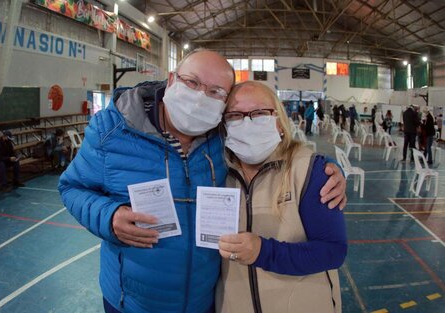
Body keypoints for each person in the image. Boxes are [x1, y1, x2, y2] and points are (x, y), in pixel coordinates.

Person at [58, 49, 347, 313]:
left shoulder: (224, 139)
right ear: (171, 80)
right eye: (192, 82)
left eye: (215, 91)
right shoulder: (112, 130)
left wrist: (328, 168)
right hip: (132, 301)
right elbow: (73, 187)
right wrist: (108, 217)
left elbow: (274, 151)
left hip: (205, 301)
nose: (199, 97)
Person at [217, 81, 346, 313]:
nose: (246, 122)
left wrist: (263, 252)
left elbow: (333, 251)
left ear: (279, 122)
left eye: (258, 113)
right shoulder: (215, 172)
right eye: (235, 115)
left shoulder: (310, 170)